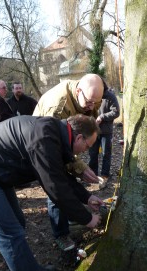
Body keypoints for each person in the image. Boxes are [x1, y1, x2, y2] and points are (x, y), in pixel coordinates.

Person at [0, 114, 103, 271]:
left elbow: (62, 176)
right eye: (87, 146)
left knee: (18, 222)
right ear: (79, 137)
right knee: (10, 235)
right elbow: (55, 187)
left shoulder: (56, 133)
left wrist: (87, 197)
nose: (84, 151)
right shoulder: (44, 138)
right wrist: (87, 219)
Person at [33, 73, 105, 250]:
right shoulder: (57, 107)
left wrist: (80, 167)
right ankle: (61, 233)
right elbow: (57, 150)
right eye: (89, 102)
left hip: (67, 140)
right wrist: (79, 167)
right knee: (57, 183)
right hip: (43, 145)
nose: (92, 107)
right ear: (78, 90)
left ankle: (72, 212)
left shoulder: (89, 97)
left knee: (71, 180)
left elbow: (88, 127)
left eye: (96, 103)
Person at [89, 88, 120, 188]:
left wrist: (102, 117)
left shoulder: (110, 96)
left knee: (106, 153)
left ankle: (105, 175)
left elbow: (116, 112)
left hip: (106, 131)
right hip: (93, 130)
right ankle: (92, 174)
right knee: (92, 152)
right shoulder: (91, 95)